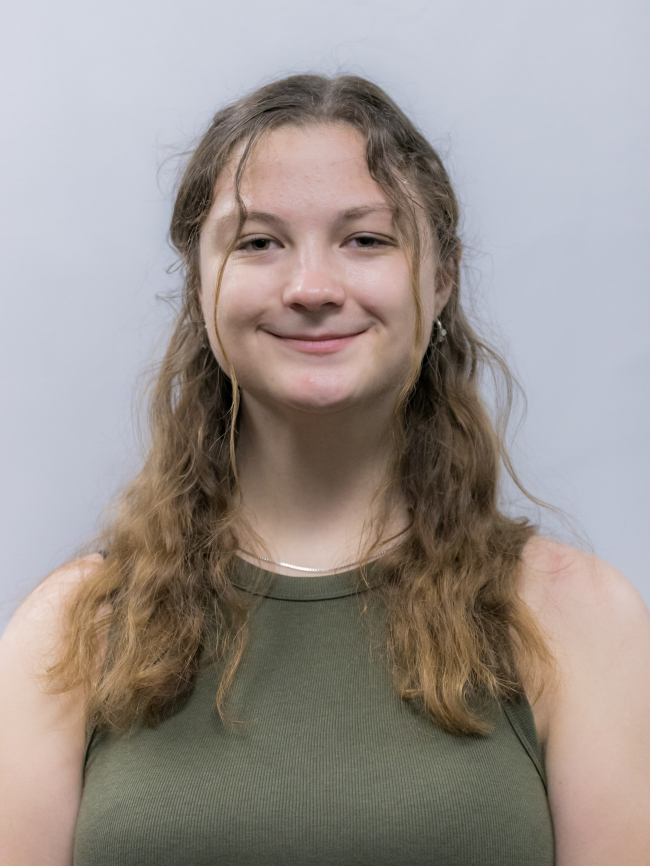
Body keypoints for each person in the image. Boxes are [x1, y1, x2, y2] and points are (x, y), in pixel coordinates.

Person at [1, 74, 648, 866]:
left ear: (441, 277)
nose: (311, 288)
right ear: (200, 285)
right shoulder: (74, 630)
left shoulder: (576, 619)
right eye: (259, 242)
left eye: (367, 240)